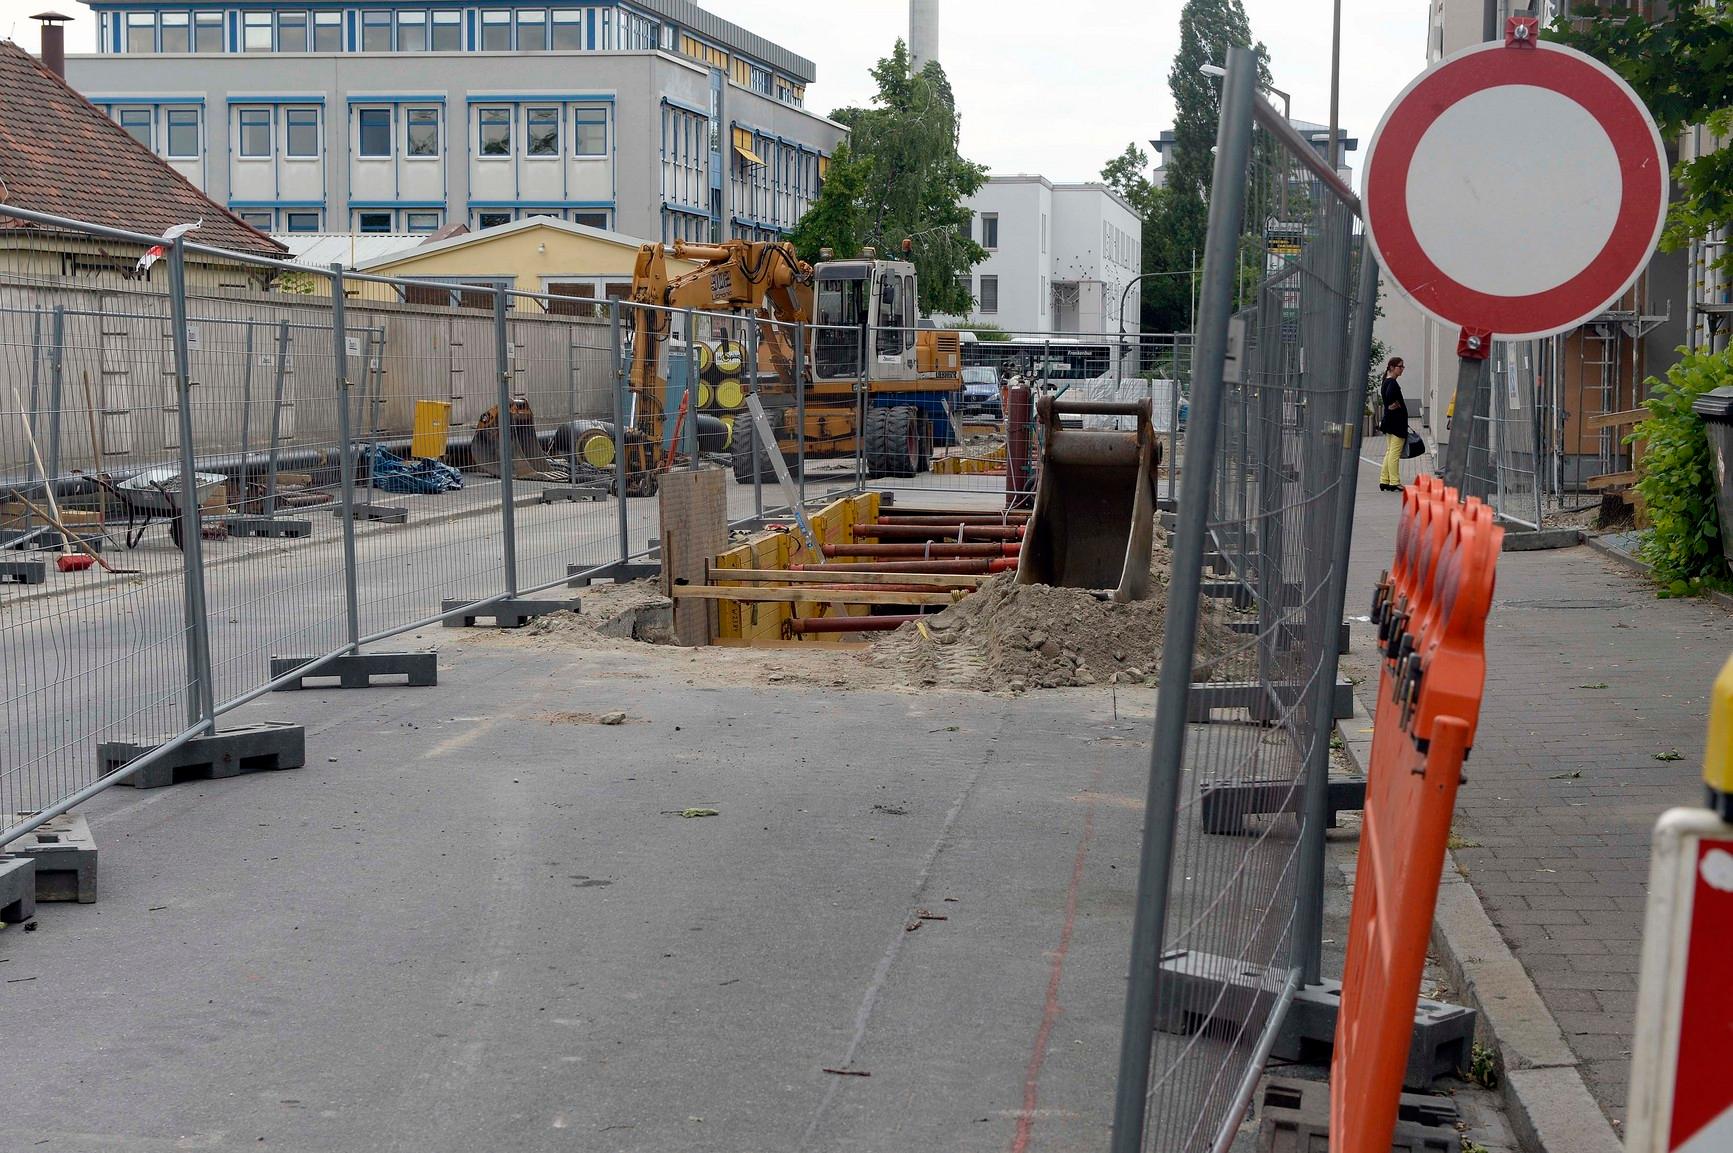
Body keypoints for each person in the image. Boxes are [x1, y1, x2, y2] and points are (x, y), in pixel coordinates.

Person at [1378, 357, 1409, 492]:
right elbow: (1390, 396)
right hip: (1397, 423)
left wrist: (1391, 406)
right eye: (1400, 366)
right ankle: (1394, 482)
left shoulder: (1386, 381)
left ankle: (1384, 480)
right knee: (1394, 454)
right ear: (1392, 367)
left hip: (1389, 422)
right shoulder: (1392, 383)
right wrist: (1394, 405)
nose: (1402, 369)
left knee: (1390, 452)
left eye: (1403, 367)